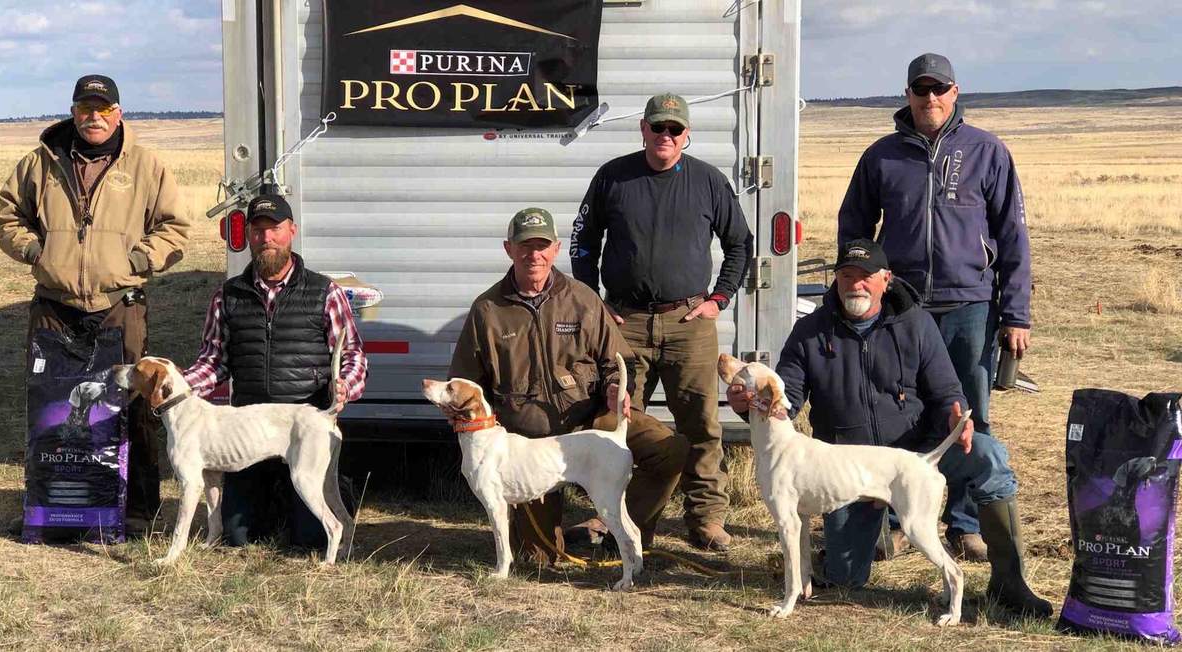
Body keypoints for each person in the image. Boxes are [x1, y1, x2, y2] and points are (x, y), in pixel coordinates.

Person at [727, 239, 1051, 617]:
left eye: (865, 277)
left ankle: (1011, 580)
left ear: (886, 280)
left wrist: (955, 414)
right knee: (846, 578)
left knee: (987, 454)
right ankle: (887, 532)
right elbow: (787, 395)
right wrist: (751, 405)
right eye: (846, 276)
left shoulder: (916, 323)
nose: (855, 285)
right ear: (836, 281)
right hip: (847, 465)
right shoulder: (810, 331)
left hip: (918, 453)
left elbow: (948, 390)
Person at [837, 53, 1033, 562]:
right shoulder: (882, 157)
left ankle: (965, 522)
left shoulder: (987, 152)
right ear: (907, 95)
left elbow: (1013, 238)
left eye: (938, 89)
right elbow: (855, 228)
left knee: (968, 414)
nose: (929, 99)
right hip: (901, 307)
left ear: (954, 92)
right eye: (920, 90)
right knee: (903, 410)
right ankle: (903, 519)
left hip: (970, 306)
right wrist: (863, 287)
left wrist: (1015, 314)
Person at [0, 74, 191, 533]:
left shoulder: (145, 166)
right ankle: (48, 505)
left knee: (133, 404)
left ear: (118, 113)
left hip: (119, 303)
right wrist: (33, 251)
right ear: (73, 111)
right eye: (86, 108)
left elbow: (175, 228)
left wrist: (140, 257)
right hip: (54, 303)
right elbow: (9, 217)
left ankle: (138, 509)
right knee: (50, 404)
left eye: (104, 109)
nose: (94, 117)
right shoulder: (39, 164)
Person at [450, 207, 688, 563]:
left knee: (669, 448)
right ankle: (569, 533)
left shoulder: (582, 298)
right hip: (530, 444)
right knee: (539, 562)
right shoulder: (487, 310)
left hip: (591, 420)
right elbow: (466, 385)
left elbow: (620, 361)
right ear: (508, 249)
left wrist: (615, 389)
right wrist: (475, 424)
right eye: (525, 246)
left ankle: (620, 533)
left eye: (543, 246)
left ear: (557, 249)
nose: (535, 255)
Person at [570, 93, 753, 551]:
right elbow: (582, 242)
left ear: (687, 135)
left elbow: (739, 245)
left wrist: (720, 298)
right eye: (657, 128)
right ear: (643, 131)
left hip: (688, 321)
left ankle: (706, 519)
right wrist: (595, 302)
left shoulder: (708, 182)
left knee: (701, 424)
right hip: (625, 320)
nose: (664, 136)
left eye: (674, 129)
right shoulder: (614, 177)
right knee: (618, 421)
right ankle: (618, 519)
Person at [182, 193, 367, 552]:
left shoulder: (324, 292)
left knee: (310, 541)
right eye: (258, 230)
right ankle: (274, 503)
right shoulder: (227, 296)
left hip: (302, 424)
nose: (267, 238)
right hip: (248, 429)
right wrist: (179, 386)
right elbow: (213, 361)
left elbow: (354, 354)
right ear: (248, 236)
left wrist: (345, 386)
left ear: (291, 232)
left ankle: (334, 490)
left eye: (275, 229)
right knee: (239, 538)